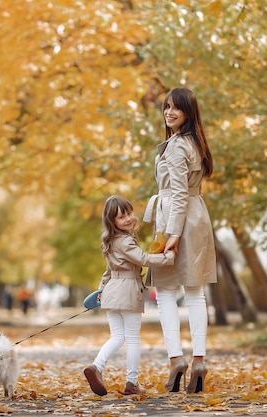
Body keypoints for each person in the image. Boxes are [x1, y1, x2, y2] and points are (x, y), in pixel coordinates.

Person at [142, 87, 217, 394]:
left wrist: (172, 235)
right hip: (197, 218)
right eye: (166, 107)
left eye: (176, 108)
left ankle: (176, 359)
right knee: (196, 292)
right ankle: (199, 360)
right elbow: (188, 193)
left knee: (167, 292)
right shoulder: (194, 142)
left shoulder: (175, 147)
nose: (169, 112)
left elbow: (178, 195)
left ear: (188, 112)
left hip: (177, 219)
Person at [83, 195, 175, 396]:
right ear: (112, 222)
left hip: (111, 292)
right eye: (121, 217)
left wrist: (100, 293)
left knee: (117, 336)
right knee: (132, 339)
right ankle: (132, 383)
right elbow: (142, 259)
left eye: (129, 213)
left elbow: (107, 273)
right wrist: (168, 258)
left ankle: (97, 366)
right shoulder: (124, 241)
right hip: (127, 291)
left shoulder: (109, 241)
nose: (128, 219)